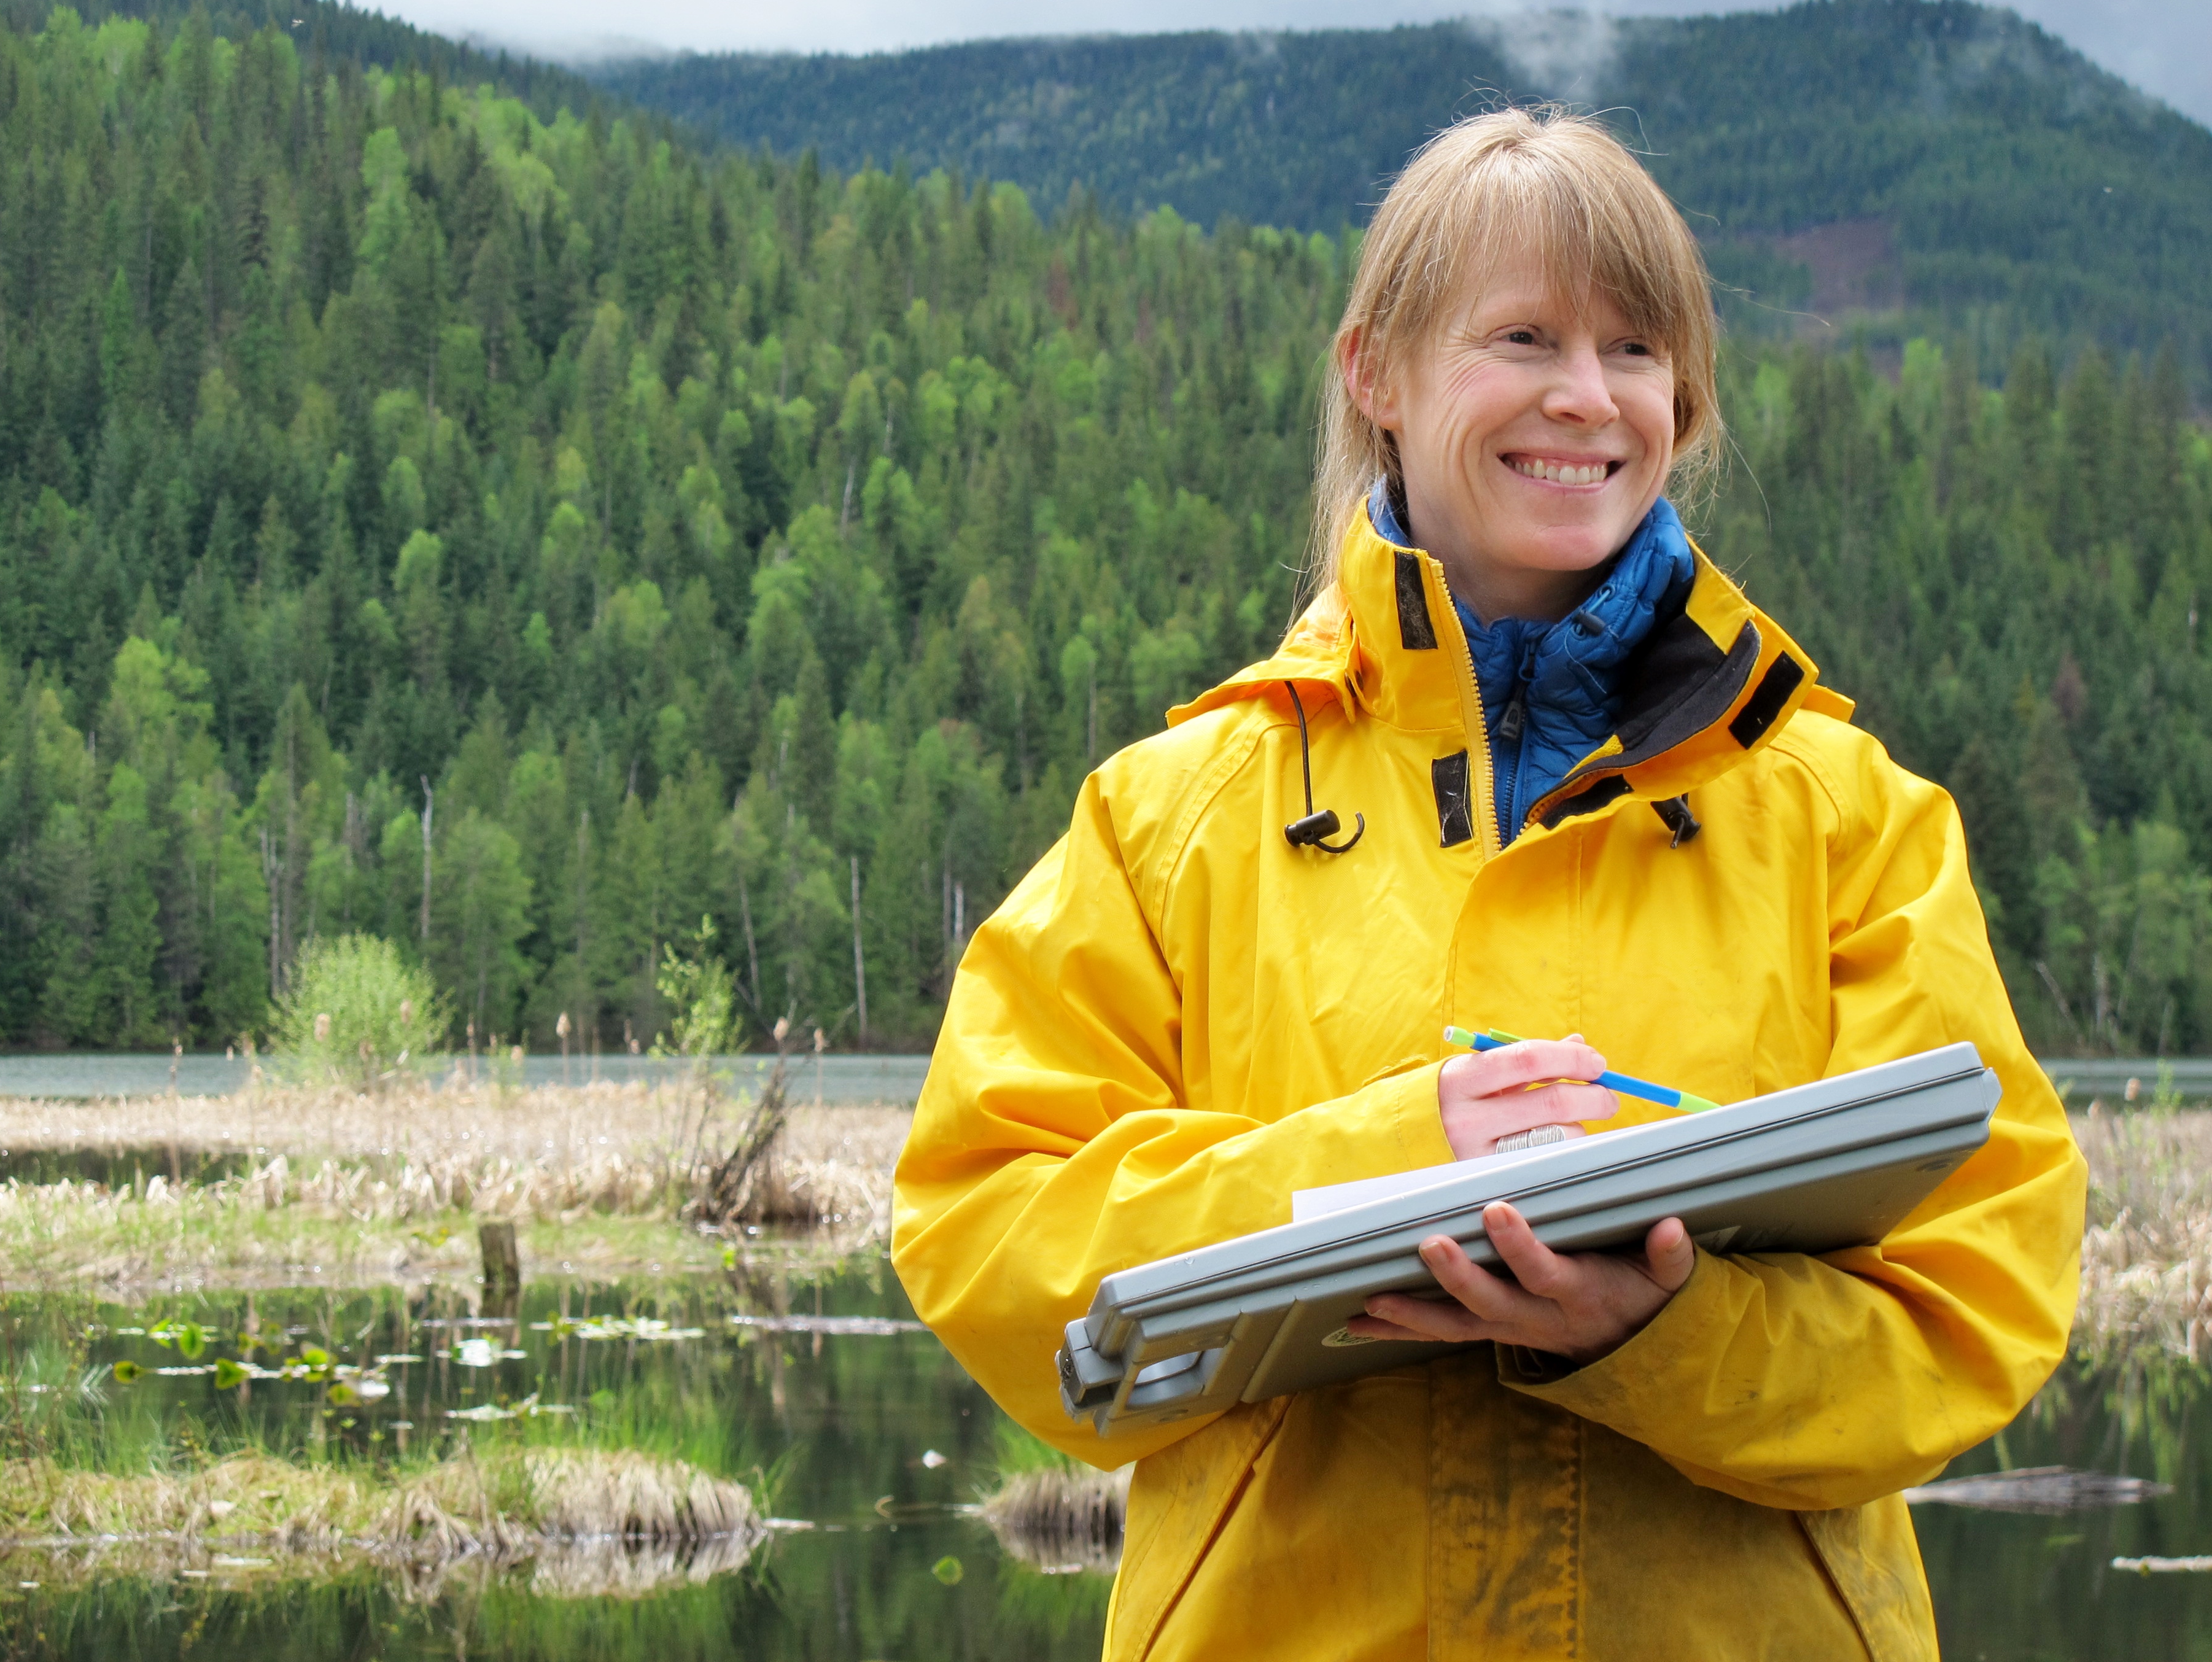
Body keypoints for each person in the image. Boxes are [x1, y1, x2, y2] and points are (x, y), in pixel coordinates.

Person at [891, 107, 2086, 1661]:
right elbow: (989, 1236)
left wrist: (1665, 1335)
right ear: (1374, 374)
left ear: (1685, 398)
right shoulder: (1169, 817)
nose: (1585, 399)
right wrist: (1398, 1162)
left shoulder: (1853, 819)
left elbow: (1979, 1297)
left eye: (1636, 350)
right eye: (1522, 337)